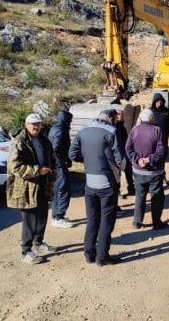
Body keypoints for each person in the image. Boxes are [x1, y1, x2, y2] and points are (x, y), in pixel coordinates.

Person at [69, 109, 123, 266]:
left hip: (90, 183)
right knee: (107, 220)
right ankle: (102, 256)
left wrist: (88, 162)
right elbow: (120, 159)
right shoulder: (112, 131)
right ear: (111, 118)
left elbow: (72, 155)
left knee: (92, 219)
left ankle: (89, 253)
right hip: (107, 182)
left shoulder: (83, 130)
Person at [6, 113, 56, 264]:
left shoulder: (43, 139)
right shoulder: (19, 141)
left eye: (38, 124)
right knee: (30, 218)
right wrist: (36, 170)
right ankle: (25, 251)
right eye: (33, 124)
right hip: (27, 186)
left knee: (42, 215)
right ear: (26, 125)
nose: (36, 127)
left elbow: (51, 158)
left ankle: (38, 243)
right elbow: (15, 167)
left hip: (43, 183)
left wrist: (53, 173)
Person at [125, 108, 168, 230]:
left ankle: (137, 222)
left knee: (140, 196)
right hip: (154, 171)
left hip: (138, 170)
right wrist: (149, 160)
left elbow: (128, 148)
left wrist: (138, 160)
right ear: (151, 118)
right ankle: (156, 222)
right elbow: (161, 151)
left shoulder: (134, 130)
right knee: (157, 197)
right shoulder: (157, 130)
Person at [48, 100, 74, 228]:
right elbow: (56, 147)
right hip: (59, 165)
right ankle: (59, 216)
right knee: (62, 190)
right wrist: (64, 160)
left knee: (57, 190)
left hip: (55, 165)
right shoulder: (61, 131)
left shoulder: (54, 128)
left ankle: (56, 215)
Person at [151, 93, 169, 186]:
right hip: (152, 140)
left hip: (163, 139)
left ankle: (163, 177)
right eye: (157, 101)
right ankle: (154, 179)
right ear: (154, 101)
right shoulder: (150, 111)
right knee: (153, 159)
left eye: (160, 100)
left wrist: (166, 134)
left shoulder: (167, 111)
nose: (159, 102)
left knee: (162, 158)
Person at [114, 108, 135, 199]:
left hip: (125, 152)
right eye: (121, 115)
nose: (123, 117)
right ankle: (117, 192)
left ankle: (131, 188)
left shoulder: (122, 126)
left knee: (128, 171)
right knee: (117, 173)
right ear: (116, 116)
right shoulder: (113, 127)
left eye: (123, 115)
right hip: (117, 153)